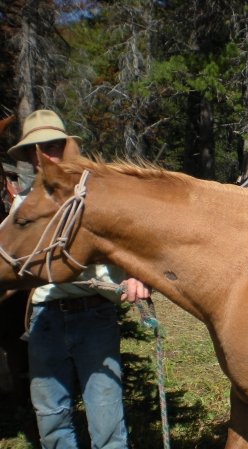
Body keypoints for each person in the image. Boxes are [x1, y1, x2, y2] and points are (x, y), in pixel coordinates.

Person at [7, 109, 149, 449]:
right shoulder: (22, 206)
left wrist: (136, 276)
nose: (45, 156)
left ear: (65, 148)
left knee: (107, 419)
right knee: (52, 418)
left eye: (53, 145)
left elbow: (132, 240)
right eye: (36, 148)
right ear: (28, 155)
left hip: (94, 314)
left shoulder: (93, 200)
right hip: (45, 319)